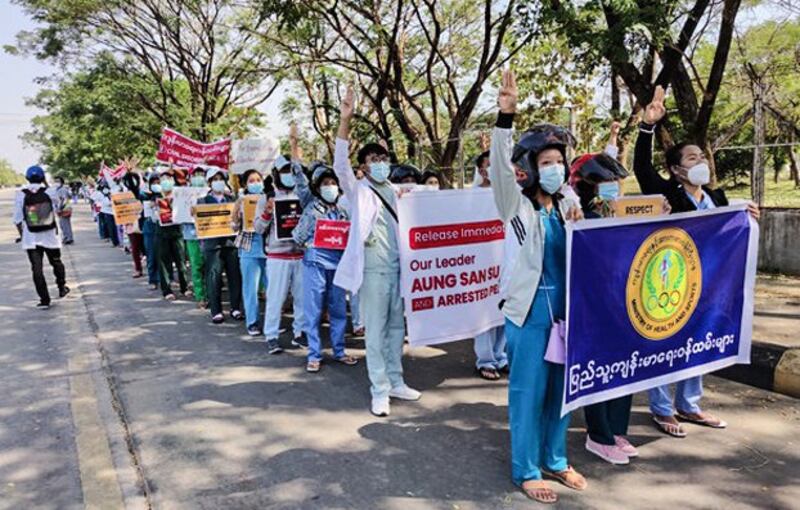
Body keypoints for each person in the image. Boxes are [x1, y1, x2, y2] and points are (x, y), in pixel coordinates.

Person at [634, 85, 760, 437]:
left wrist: (747, 214)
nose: (700, 162)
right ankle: (661, 408)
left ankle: (689, 405)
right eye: (691, 159)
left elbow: (732, 231)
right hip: (671, 283)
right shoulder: (666, 195)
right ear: (676, 170)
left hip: (708, 284)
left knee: (697, 342)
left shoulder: (718, 198)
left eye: (701, 157)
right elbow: (642, 166)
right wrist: (648, 126)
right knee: (664, 342)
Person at [490, 69, 586, 503]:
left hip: (567, 310)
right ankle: (527, 468)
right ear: (530, 168)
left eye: (558, 161)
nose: (554, 168)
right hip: (528, 313)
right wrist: (505, 117)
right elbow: (498, 167)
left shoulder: (570, 202)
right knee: (528, 391)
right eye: (545, 162)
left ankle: (556, 457)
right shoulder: (515, 204)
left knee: (562, 389)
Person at [333, 85, 422, 417]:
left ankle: (397, 381)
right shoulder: (358, 190)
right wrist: (346, 119)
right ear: (364, 166)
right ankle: (379, 389)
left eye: (384, 158)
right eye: (374, 160)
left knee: (398, 329)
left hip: (400, 270)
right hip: (372, 270)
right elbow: (340, 163)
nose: (381, 164)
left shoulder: (400, 191)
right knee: (376, 331)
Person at [569, 129, 644, 466]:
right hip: (593, 305)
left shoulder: (622, 212)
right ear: (587, 185)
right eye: (604, 183)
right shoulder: (576, 215)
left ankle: (617, 430)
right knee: (599, 369)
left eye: (614, 182)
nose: (612, 188)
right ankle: (598, 435)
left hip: (623, 302)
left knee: (624, 369)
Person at [292, 161, 359, 372]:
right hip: (315, 265)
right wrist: (310, 242)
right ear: (318, 188)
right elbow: (297, 236)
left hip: (337, 266)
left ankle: (339, 351)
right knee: (313, 310)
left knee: (338, 309)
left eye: (333, 183)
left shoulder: (342, 212)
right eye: (325, 183)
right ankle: (314, 354)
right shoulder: (312, 209)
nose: (330, 187)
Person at [254, 147, 306, 353]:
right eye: (284, 171)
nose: (288, 176)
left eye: (291, 171)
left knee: (302, 298)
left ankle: (300, 333)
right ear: (276, 175)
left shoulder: (302, 195)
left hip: (301, 254)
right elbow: (258, 228)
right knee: (276, 297)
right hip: (278, 256)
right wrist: (267, 212)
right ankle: (272, 335)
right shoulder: (267, 197)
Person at [467, 149, 508, 381]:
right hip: (481, 266)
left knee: (504, 312)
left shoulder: (511, 194)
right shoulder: (470, 196)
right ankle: (485, 360)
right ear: (482, 171)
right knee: (484, 314)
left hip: (506, 263)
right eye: (489, 165)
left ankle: (500, 355)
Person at [13, 166, 70, 309]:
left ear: (27, 178)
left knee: (36, 269)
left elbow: (17, 219)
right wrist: (45, 184)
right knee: (56, 262)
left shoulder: (21, 194)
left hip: (31, 239)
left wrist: (22, 235)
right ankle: (62, 287)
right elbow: (58, 207)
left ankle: (44, 300)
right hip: (50, 236)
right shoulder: (50, 192)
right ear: (42, 177)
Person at [200, 167, 243, 323]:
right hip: (212, 245)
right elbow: (199, 223)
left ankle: (235, 308)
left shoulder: (232, 200)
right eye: (214, 179)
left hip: (230, 243)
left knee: (235, 276)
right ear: (210, 182)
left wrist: (237, 221)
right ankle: (216, 310)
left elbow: (239, 221)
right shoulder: (202, 201)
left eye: (220, 179)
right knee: (214, 277)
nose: (218, 182)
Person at [234, 168, 268, 335]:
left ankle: (272, 322)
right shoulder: (241, 201)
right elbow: (233, 227)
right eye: (251, 181)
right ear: (245, 184)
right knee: (250, 288)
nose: (256, 183)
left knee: (273, 288)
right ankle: (253, 322)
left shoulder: (270, 197)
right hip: (249, 247)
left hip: (269, 248)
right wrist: (236, 213)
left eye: (258, 179)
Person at [155, 169, 189, 301]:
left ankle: (184, 287)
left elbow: (183, 178)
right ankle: (166, 290)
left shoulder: (179, 195)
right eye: (162, 179)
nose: (165, 181)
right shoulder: (154, 195)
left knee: (181, 261)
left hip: (177, 232)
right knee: (163, 262)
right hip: (161, 233)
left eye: (168, 178)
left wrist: (173, 167)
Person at [183, 167, 209, 309]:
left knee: (210, 266)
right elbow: (178, 214)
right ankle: (201, 296)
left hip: (208, 234)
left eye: (201, 174)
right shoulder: (182, 194)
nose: (198, 177)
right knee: (196, 265)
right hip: (191, 234)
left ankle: (211, 294)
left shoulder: (210, 192)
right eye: (195, 175)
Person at [139, 173, 162, 290]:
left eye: (159, 183)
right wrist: (131, 174)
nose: (156, 185)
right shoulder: (145, 195)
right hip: (149, 227)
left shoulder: (166, 194)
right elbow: (134, 189)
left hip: (163, 227)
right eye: (154, 183)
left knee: (164, 255)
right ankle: (153, 279)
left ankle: (166, 279)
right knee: (151, 255)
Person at [54, 176, 74, 245]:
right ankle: (66, 237)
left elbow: (64, 199)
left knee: (65, 225)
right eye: (55, 181)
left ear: (62, 182)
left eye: (58, 181)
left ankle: (69, 238)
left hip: (64, 209)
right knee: (62, 225)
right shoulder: (58, 189)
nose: (56, 183)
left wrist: (60, 208)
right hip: (61, 209)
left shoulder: (62, 189)